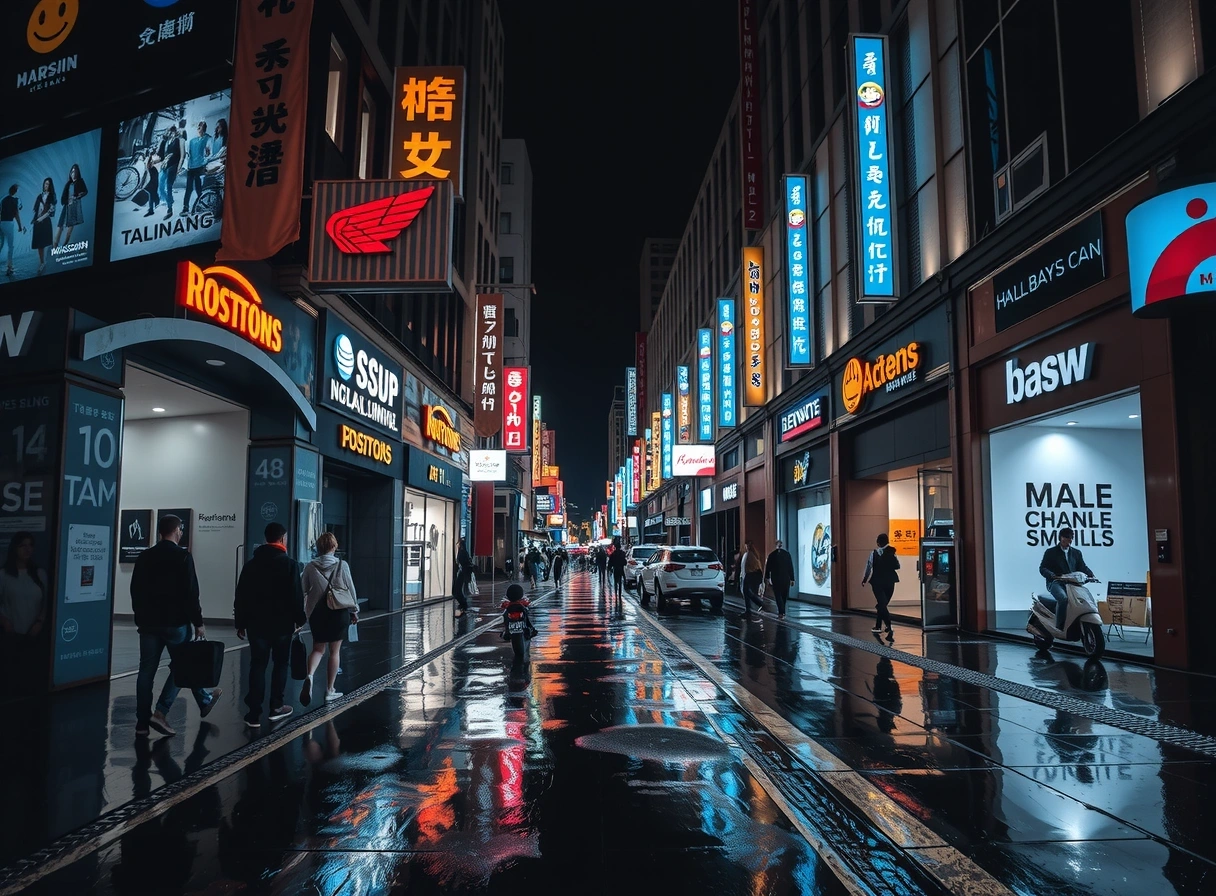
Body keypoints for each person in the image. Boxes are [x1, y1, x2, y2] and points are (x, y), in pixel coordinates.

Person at [130, 514, 221, 737]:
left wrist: (140, 617)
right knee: (182, 666)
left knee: (146, 672)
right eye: (181, 529)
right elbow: (191, 593)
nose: (181, 533)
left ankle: (142, 723)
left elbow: (135, 590)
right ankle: (160, 712)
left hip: (149, 623)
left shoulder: (145, 557)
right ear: (177, 530)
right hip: (175, 623)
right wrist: (198, 623)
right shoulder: (182, 557)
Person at [234, 522, 307, 728]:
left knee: (258, 665)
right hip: (282, 625)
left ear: (266, 539)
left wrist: (240, 622)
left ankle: (254, 713)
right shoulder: (290, 565)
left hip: (256, 625)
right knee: (281, 664)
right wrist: (299, 619)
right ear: (282, 539)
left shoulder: (251, 564)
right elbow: (296, 595)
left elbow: (241, 595)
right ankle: (276, 706)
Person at [300, 532, 359, 706]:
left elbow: (302, 589)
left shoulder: (310, 567)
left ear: (318, 548)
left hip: (317, 614)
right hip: (338, 612)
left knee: (318, 649)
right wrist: (355, 610)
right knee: (335, 652)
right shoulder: (342, 565)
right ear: (334, 546)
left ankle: (309, 676)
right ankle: (330, 690)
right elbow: (351, 589)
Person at [0, 532, 47, 693]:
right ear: (15, 548)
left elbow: (46, 602)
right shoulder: (4, 575)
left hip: (34, 631)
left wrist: (40, 622)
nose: (27, 549)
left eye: (30, 545)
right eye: (23, 545)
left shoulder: (39, 574)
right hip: (11, 632)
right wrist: (5, 621)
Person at [1038, 527, 1095, 631]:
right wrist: (1051, 575)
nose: (1068, 542)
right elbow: (1042, 568)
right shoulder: (1051, 552)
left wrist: (1091, 574)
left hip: (1072, 583)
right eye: (1066, 539)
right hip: (1056, 582)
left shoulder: (1076, 553)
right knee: (1063, 599)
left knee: (1082, 599)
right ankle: (1059, 626)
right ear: (1060, 538)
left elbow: (1082, 566)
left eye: (1070, 540)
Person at [861, 533, 900, 637]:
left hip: (877, 582)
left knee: (881, 604)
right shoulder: (893, 551)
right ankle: (881, 626)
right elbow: (898, 566)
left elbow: (869, 567)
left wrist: (864, 579)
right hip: (890, 581)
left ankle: (884, 626)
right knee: (882, 604)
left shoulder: (873, 553)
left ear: (878, 542)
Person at [181, 120, 213, 215]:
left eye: (202, 127)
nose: (200, 128)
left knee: (199, 187)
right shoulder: (192, 141)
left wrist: (205, 162)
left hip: (200, 166)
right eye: (199, 127)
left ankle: (201, 204)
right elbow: (188, 155)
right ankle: (185, 208)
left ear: (205, 128)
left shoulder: (208, 138)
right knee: (189, 188)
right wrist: (186, 166)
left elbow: (210, 153)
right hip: (191, 167)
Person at [54, 163, 88, 248]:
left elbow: (85, 191)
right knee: (60, 226)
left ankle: (64, 245)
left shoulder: (80, 181)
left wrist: (78, 196)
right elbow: (63, 196)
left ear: (77, 172)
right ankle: (54, 246)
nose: (72, 174)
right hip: (66, 206)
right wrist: (66, 201)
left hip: (74, 207)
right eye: (71, 172)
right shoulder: (68, 183)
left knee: (69, 228)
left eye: (74, 172)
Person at [764, 539, 795, 620]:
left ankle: (781, 612)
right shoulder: (787, 554)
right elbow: (790, 567)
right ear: (782, 545)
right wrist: (792, 578)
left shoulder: (771, 555)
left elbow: (768, 568)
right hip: (785, 578)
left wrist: (767, 577)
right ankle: (782, 610)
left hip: (776, 578)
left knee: (778, 595)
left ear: (776, 545)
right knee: (784, 595)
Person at [156, 126, 183, 219]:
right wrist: (162, 139)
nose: (170, 133)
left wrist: (179, 168)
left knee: (169, 186)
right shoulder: (166, 142)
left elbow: (182, 155)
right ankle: (168, 200)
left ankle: (169, 209)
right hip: (164, 165)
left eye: (171, 131)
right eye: (168, 131)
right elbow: (160, 153)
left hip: (173, 165)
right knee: (160, 184)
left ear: (175, 131)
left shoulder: (178, 140)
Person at [30, 177, 55, 274]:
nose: (46, 185)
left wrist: (41, 218)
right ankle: (42, 262)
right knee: (39, 244)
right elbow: (35, 210)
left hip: (45, 222)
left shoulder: (52, 196)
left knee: (45, 242)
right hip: (37, 222)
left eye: (48, 184)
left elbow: (51, 211)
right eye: (45, 183)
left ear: (50, 185)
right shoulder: (39, 196)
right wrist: (35, 219)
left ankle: (48, 257)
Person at [0, 185, 24, 276]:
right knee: (11, 246)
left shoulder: (3, 200)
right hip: (9, 224)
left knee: (2, 244)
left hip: (1, 223)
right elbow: (16, 214)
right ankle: (9, 267)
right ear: (16, 191)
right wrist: (20, 226)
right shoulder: (15, 200)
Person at [740, 540, 764, 620]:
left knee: (746, 592)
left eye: (746, 545)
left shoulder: (749, 555)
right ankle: (751, 608)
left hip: (749, 575)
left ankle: (751, 609)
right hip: (748, 576)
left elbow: (751, 567)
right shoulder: (750, 554)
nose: (745, 547)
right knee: (747, 592)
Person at [453, 537, 473, 617]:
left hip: (463, 572)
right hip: (464, 572)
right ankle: (463, 603)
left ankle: (463, 603)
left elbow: (462, 562)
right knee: (459, 589)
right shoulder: (464, 552)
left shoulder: (462, 553)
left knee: (457, 589)